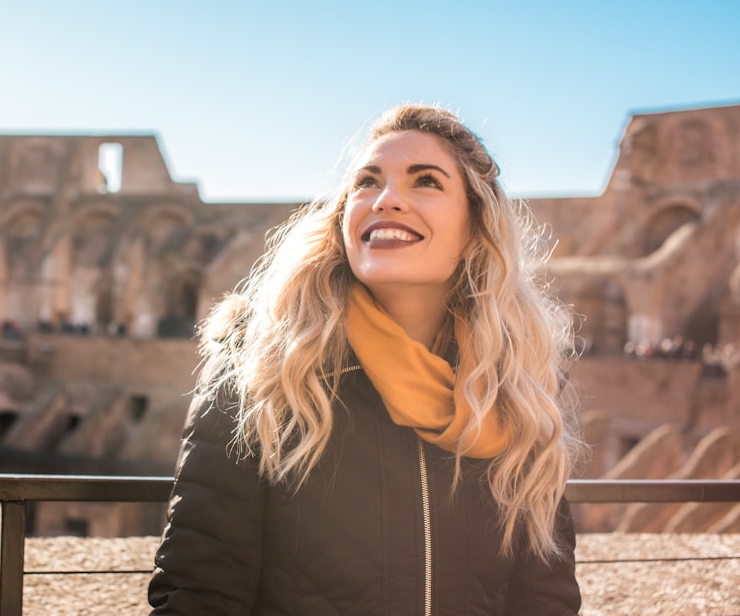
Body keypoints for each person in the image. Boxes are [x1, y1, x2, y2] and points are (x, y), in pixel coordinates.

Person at [148, 103, 583, 615]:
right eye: (367, 182)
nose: (387, 199)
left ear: (475, 225)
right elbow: (200, 590)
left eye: (426, 181)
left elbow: (545, 595)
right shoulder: (264, 366)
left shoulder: (516, 383)